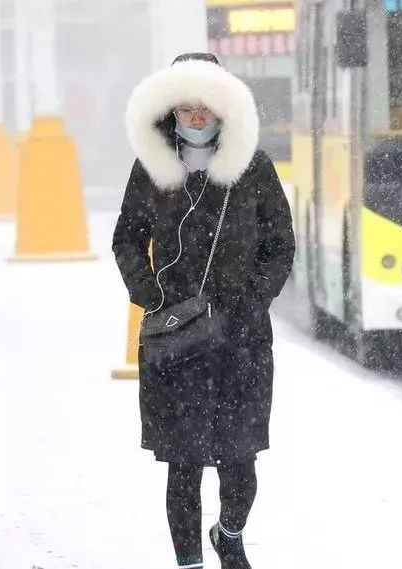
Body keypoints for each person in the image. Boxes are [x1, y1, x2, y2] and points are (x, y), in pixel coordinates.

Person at [112, 53, 295, 569]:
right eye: (184, 105)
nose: (195, 116)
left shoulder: (253, 165)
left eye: (205, 105)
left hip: (242, 338)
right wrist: (153, 297)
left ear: (224, 107)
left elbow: (280, 243)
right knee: (183, 464)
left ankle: (230, 534)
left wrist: (254, 299)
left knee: (240, 460)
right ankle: (188, 561)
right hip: (178, 340)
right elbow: (127, 238)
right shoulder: (150, 167)